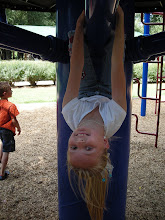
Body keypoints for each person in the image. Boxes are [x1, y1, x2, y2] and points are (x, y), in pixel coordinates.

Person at [62, 5, 126, 220]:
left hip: (84, 89)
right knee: (111, 47)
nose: (79, 139)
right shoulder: (116, 116)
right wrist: (121, 26)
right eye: (88, 147)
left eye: (73, 146)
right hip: (109, 90)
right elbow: (118, 65)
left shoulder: (70, 112)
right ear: (106, 143)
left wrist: (79, 27)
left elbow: (76, 64)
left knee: (81, 43)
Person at [0, 82, 21, 180]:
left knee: (3, 144)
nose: (11, 91)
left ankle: (1, 164)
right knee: (6, 151)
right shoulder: (10, 105)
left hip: (0, 129)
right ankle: (2, 173)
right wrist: (18, 128)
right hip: (7, 130)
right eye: (10, 90)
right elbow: (13, 120)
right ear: (4, 93)